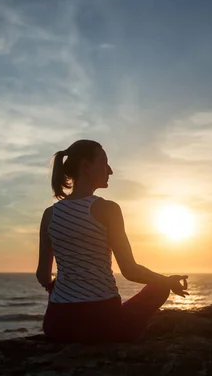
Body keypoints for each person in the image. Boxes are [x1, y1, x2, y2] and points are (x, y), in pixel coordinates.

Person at [36, 139, 189, 342]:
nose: (110, 170)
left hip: (57, 325)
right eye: (105, 163)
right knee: (159, 287)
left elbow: (42, 276)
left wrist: (60, 287)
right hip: (104, 325)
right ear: (87, 167)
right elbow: (130, 271)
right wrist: (167, 281)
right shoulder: (108, 209)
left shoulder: (50, 215)